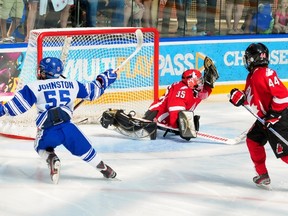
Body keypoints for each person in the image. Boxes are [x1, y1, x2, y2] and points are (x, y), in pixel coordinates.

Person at [0, 57, 118, 184]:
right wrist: (105, 78)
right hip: (69, 129)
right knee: (86, 151)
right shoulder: (72, 84)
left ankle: (51, 157)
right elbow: (94, 92)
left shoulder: (34, 86)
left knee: (39, 147)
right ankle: (105, 169)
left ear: (44, 72)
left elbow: (15, 108)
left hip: (49, 130)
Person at [229, 43, 288, 189]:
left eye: (249, 58)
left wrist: (274, 115)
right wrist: (239, 96)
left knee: (285, 154)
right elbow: (252, 97)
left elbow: (283, 96)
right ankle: (262, 175)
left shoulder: (266, 73)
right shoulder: (253, 75)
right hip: (265, 119)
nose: (247, 61)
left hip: (278, 118)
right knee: (252, 140)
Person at [143, 57, 219, 140]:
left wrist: (209, 83)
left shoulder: (194, 90)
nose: (201, 82)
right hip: (155, 116)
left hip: (168, 119)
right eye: (199, 80)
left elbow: (204, 94)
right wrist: (183, 127)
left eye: (201, 80)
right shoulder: (181, 91)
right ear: (191, 82)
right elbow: (175, 114)